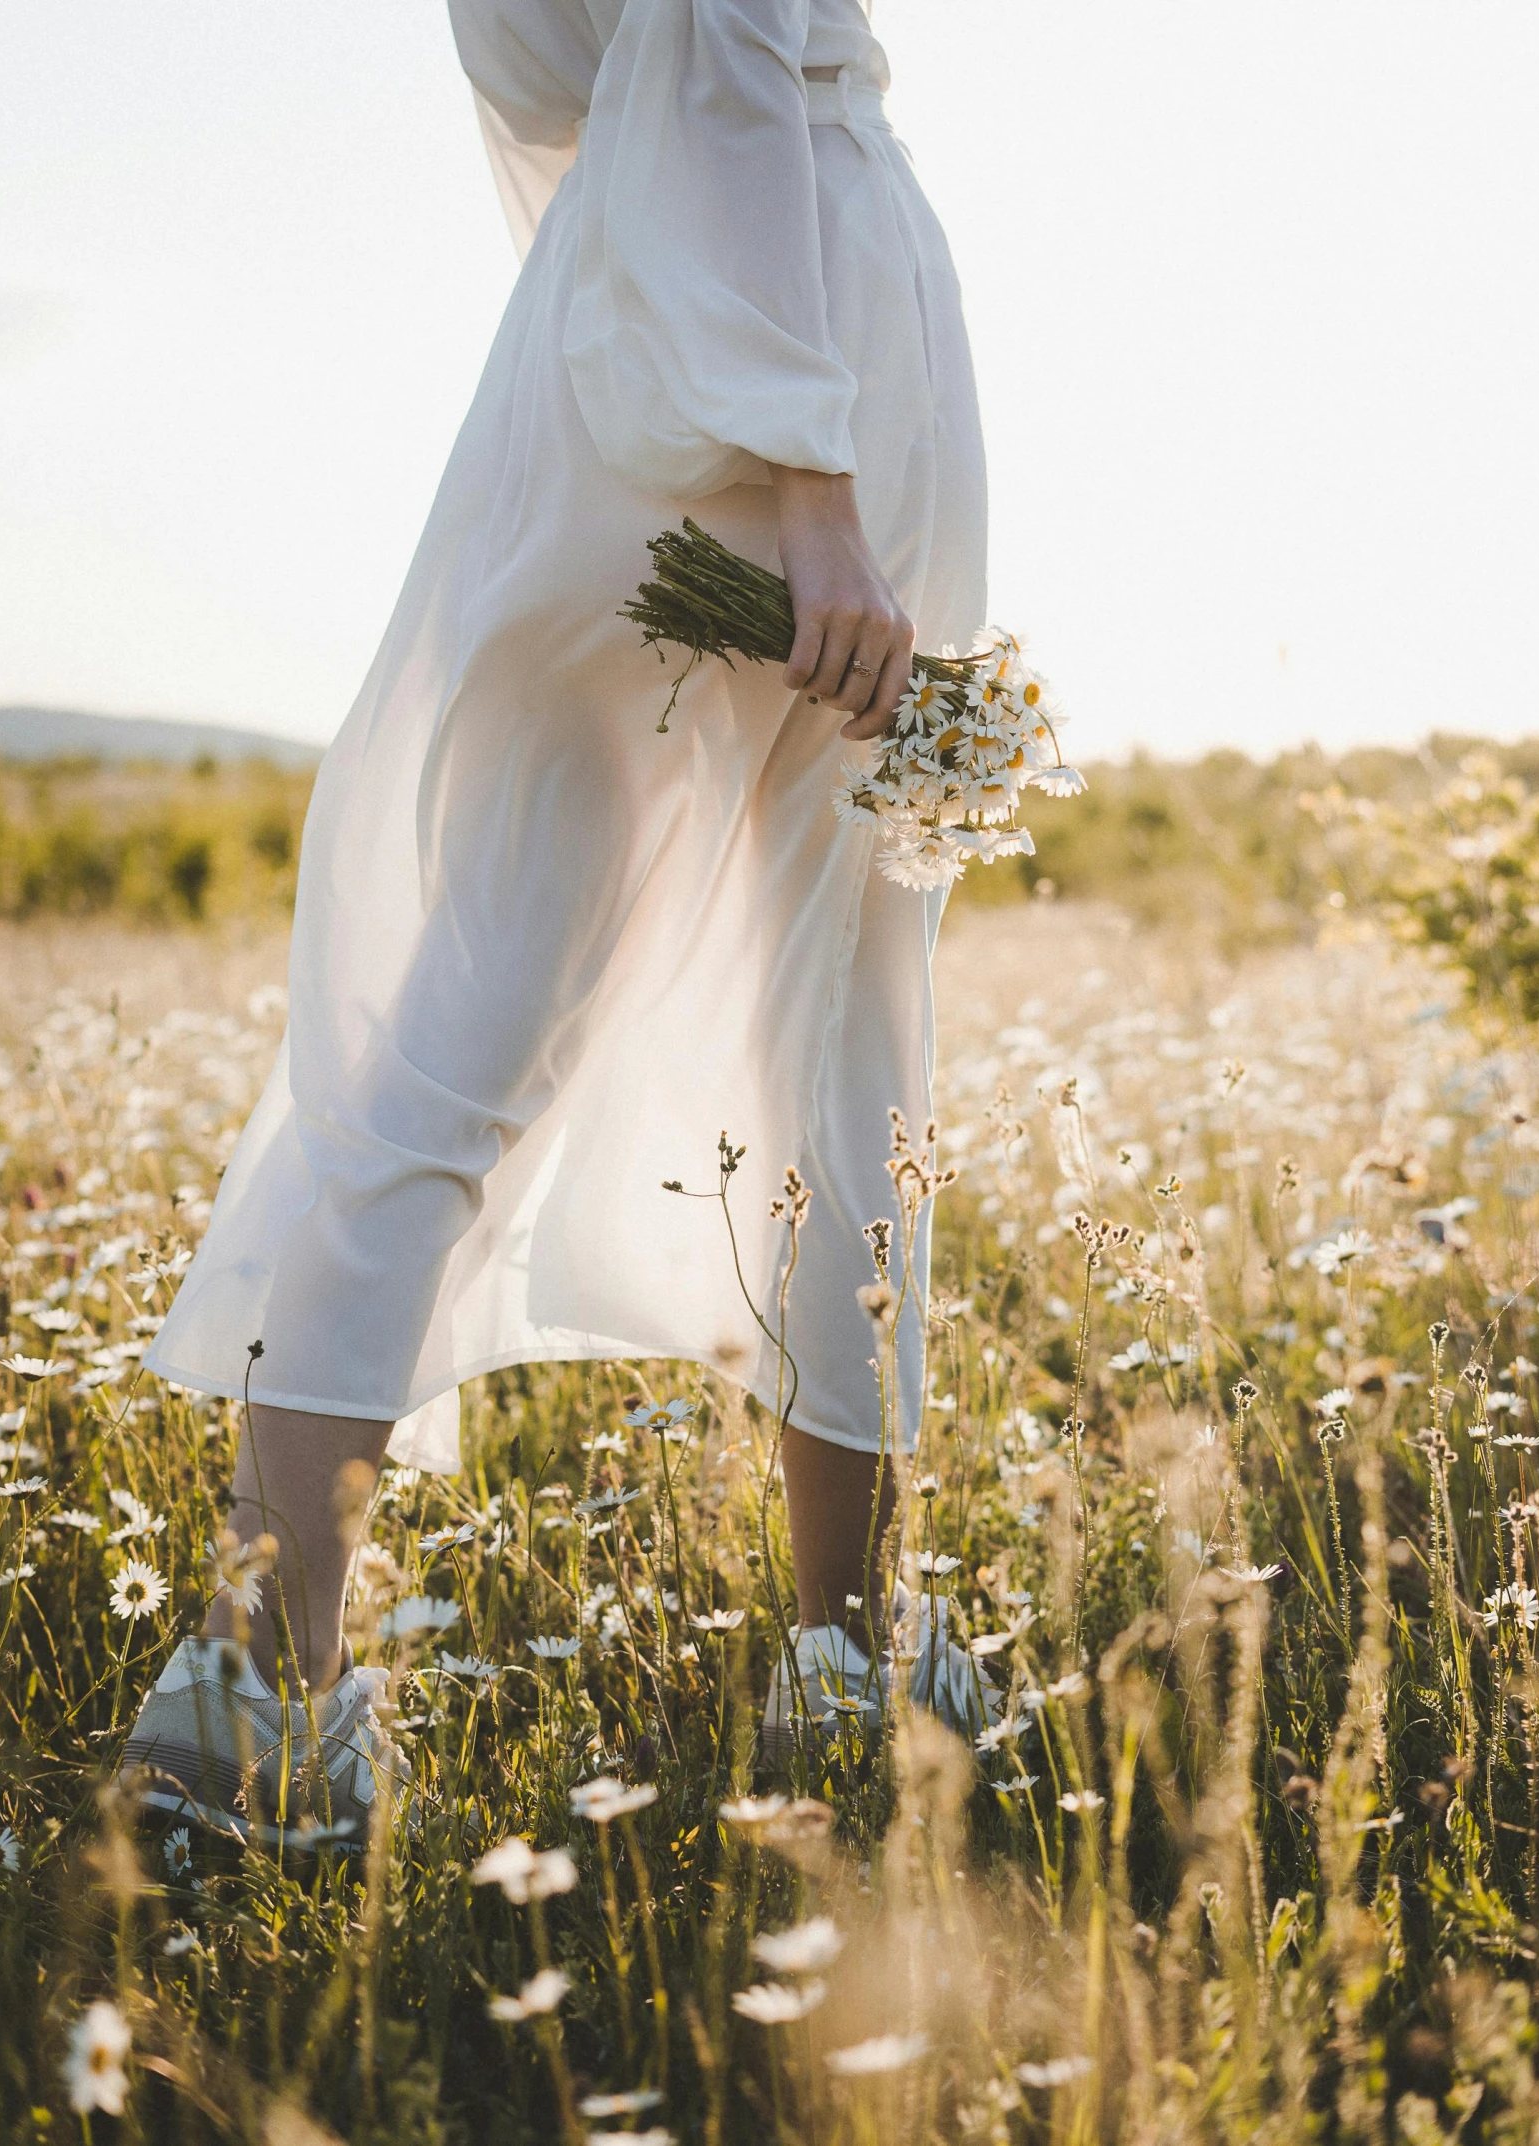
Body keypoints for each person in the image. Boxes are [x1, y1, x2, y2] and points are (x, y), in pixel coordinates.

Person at [120, 0, 991, 1839]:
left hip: (619, 339)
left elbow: (544, 117)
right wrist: (810, 485)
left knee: (467, 996)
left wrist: (631, 356)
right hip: (802, 340)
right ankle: (840, 1661)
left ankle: (259, 1688)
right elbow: (736, 60)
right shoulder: (799, 334)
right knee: (850, 1015)